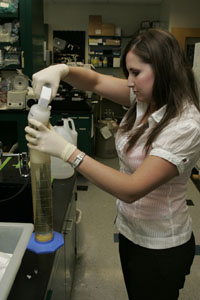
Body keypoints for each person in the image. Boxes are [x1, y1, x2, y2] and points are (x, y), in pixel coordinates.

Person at [25, 28, 200, 300]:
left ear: (165, 70)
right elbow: (94, 81)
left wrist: (67, 151)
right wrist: (62, 70)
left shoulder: (186, 125)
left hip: (160, 246)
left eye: (136, 72)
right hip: (130, 232)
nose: (129, 82)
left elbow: (131, 188)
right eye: (127, 73)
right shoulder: (146, 99)